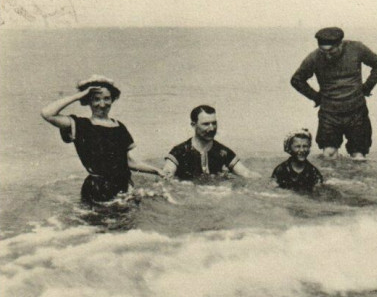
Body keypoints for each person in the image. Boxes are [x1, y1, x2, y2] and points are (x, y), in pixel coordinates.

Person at [40, 75, 161, 203]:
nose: (102, 104)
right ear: (88, 101)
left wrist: (157, 171)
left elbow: (129, 162)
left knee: (127, 222)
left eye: (107, 98)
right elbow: (47, 113)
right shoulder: (80, 125)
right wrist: (79, 96)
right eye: (96, 99)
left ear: (113, 99)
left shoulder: (119, 127)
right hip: (97, 190)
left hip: (124, 188)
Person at [291, 27, 377, 161]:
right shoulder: (314, 57)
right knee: (329, 154)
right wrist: (316, 97)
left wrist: (366, 88)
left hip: (356, 112)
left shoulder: (357, 48)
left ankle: (360, 182)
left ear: (340, 44)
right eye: (323, 51)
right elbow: (296, 80)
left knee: (358, 156)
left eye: (331, 51)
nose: (327, 55)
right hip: (329, 114)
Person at [162, 105, 255, 180]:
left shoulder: (223, 152)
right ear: (193, 125)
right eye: (206, 124)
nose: (212, 128)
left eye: (214, 123)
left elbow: (246, 173)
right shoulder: (180, 151)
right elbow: (166, 174)